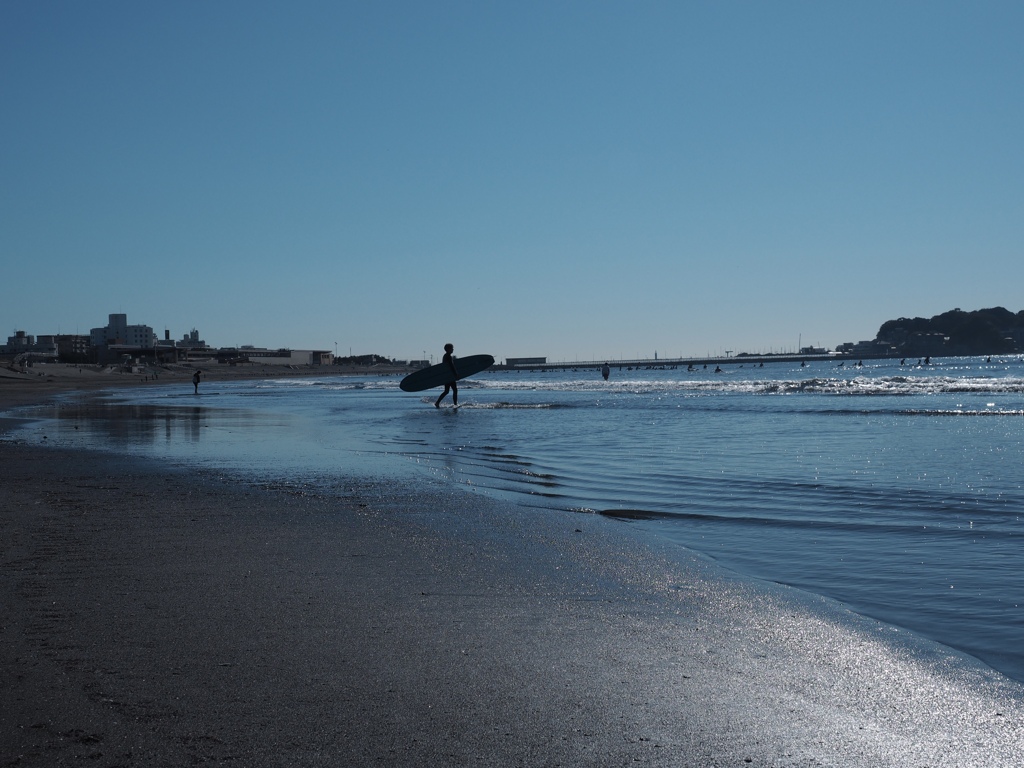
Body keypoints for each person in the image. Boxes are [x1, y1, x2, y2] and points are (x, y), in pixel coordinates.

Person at [434, 344, 458, 408]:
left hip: (447, 376)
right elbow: (451, 366)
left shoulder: (445, 356)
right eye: (452, 348)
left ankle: (437, 402)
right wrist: (456, 374)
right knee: (455, 390)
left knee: (446, 391)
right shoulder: (449, 356)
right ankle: (455, 404)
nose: (453, 349)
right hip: (450, 376)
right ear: (448, 349)